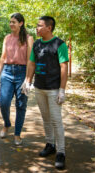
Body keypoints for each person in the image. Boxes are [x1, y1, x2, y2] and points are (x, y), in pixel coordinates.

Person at [22, 16, 68, 170]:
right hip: (39, 87)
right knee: (46, 118)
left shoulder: (59, 44)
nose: (37, 28)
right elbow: (32, 63)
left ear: (49, 27)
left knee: (56, 120)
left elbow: (64, 67)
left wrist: (62, 89)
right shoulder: (36, 44)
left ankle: (61, 152)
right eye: (36, 25)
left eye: (39, 25)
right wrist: (27, 80)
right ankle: (50, 144)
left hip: (53, 89)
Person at [0, 13, 34, 145]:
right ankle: (6, 124)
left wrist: (28, 80)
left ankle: (17, 134)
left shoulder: (28, 39)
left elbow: (30, 60)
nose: (11, 24)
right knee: (3, 102)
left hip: (22, 72)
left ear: (21, 23)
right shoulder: (7, 38)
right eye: (10, 22)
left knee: (21, 104)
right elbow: (2, 57)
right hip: (7, 71)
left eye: (14, 22)